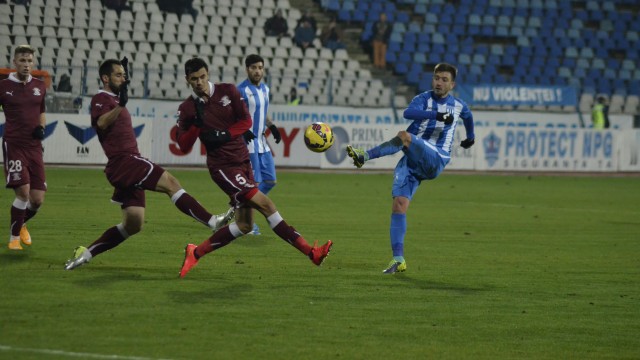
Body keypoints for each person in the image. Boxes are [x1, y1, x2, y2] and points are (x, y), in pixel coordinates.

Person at [64, 57, 234, 270]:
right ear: (105, 78)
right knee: (171, 183)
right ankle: (211, 221)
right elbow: (101, 122)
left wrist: (121, 102)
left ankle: (85, 254)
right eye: (118, 75)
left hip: (125, 164)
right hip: (124, 161)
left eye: (124, 75)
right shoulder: (101, 97)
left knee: (133, 223)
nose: (123, 79)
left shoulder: (116, 99)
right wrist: (121, 105)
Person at [174, 57, 332, 277]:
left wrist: (226, 133)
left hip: (243, 160)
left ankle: (195, 252)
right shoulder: (187, 108)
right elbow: (183, 145)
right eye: (194, 79)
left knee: (244, 225)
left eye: (202, 77)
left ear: (208, 74)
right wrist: (197, 126)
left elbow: (246, 121)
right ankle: (311, 253)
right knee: (266, 204)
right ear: (187, 80)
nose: (199, 82)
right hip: (223, 167)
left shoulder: (227, 91)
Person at [345, 63, 475, 274]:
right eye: (436, 78)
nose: (438, 82)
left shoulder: (458, 105)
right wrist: (437, 116)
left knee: (404, 136)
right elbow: (408, 112)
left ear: (452, 84)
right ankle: (398, 259)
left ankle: (365, 155)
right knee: (399, 205)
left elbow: (468, 117)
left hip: (436, 158)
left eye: (444, 79)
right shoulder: (423, 99)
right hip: (413, 159)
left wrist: (470, 137)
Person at [0, 45, 47, 251]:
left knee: (37, 200)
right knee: (23, 193)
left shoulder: (40, 85)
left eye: (29, 61)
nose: (26, 65)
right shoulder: (3, 86)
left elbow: (42, 110)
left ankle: (22, 223)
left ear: (33, 63)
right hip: (15, 144)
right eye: (22, 61)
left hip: (34, 147)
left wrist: (42, 128)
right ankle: (13, 239)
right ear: (14, 62)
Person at [237, 54, 282, 236]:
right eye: (254, 67)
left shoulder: (265, 89)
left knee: (270, 180)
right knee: (252, 185)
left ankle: (240, 203)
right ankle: (248, 223)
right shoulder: (240, 91)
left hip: (262, 143)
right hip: (248, 145)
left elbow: (262, 113)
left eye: (260, 68)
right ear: (247, 69)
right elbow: (234, 115)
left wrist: (272, 126)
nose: (257, 71)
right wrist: (243, 130)